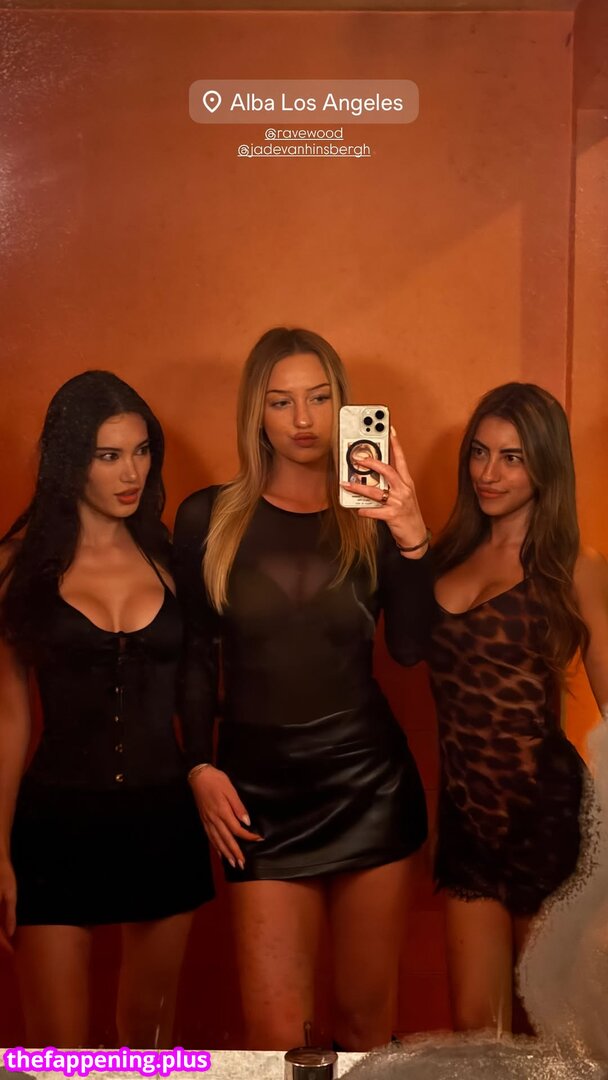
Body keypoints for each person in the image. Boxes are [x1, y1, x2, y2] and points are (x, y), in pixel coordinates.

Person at [173, 327, 434, 1051]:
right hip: (258, 795)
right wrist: (198, 765)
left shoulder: (372, 517)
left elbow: (411, 648)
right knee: (278, 1038)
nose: (303, 419)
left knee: (364, 1029)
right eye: (281, 401)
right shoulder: (208, 517)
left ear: (342, 405)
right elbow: (195, 655)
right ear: (255, 413)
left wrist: (412, 536)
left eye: (319, 398)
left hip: (367, 785)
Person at [0, 371, 213, 1048]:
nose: (132, 473)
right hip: (56, 823)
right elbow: (9, 719)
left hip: (162, 819)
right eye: (109, 455)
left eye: (142, 451)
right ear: (71, 462)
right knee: (56, 1053)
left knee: (147, 1046)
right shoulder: (16, 568)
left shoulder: (170, 558)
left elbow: (204, 684)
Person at [428, 382, 608, 1033]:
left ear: (545, 466)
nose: (489, 472)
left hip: (546, 816)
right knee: (476, 1036)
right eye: (479, 452)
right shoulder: (444, 555)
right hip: (465, 821)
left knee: (555, 1033)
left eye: (512, 458)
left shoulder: (575, 566)